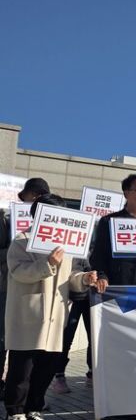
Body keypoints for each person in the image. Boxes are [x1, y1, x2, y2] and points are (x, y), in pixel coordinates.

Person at [5, 193, 105, 420]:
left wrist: (84, 278)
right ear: (38, 215)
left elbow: (70, 277)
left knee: (46, 368)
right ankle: (15, 411)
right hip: (28, 313)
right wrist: (48, 263)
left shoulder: (66, 244)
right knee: (22, 369)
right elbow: (19, 272)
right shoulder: (22, 240)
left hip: (55, 315)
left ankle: (34, 407)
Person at [0, 178, 51, 400]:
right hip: (7, 287)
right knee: (5, 341)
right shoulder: (8, 221)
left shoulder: (56, 230)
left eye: (36, 197)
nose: (31, 201)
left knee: (35, 350)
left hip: (40, 293)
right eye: (28, 197)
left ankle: (31, 399)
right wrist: (16, 247)